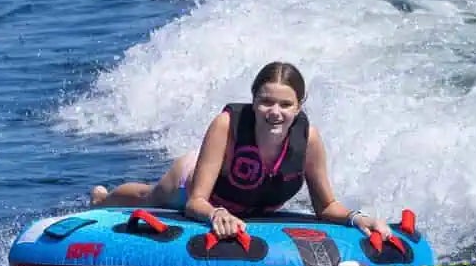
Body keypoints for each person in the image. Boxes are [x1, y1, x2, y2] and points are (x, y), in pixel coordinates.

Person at [89, 61, 389, 240]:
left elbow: (326, 207)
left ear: (299, 107)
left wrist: (357, 218)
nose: (274, 112)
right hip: (196, 184)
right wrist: (217, 213)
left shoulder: (308, 139)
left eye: (285, 105)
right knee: (151, 197)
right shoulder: (227, 124)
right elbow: (196, 202)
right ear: (253, 99)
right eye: (265, 101)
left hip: (251, 205)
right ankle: (102, 200)